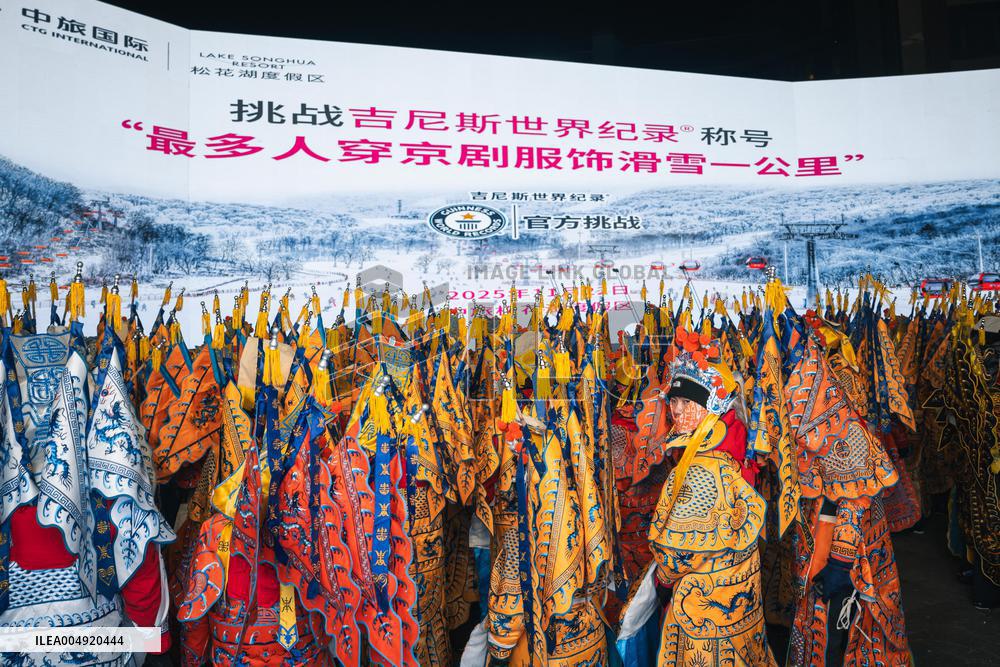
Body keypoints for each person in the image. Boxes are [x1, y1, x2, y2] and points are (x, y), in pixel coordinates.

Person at [648, 327, 776, 666]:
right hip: (738, 594)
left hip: (704, 605)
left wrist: (662, 582)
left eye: (687, 403)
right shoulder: (724, 444)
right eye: (674, 401)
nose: (677, 411)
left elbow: (678, 552)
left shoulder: (701, 466)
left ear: (709, 408)